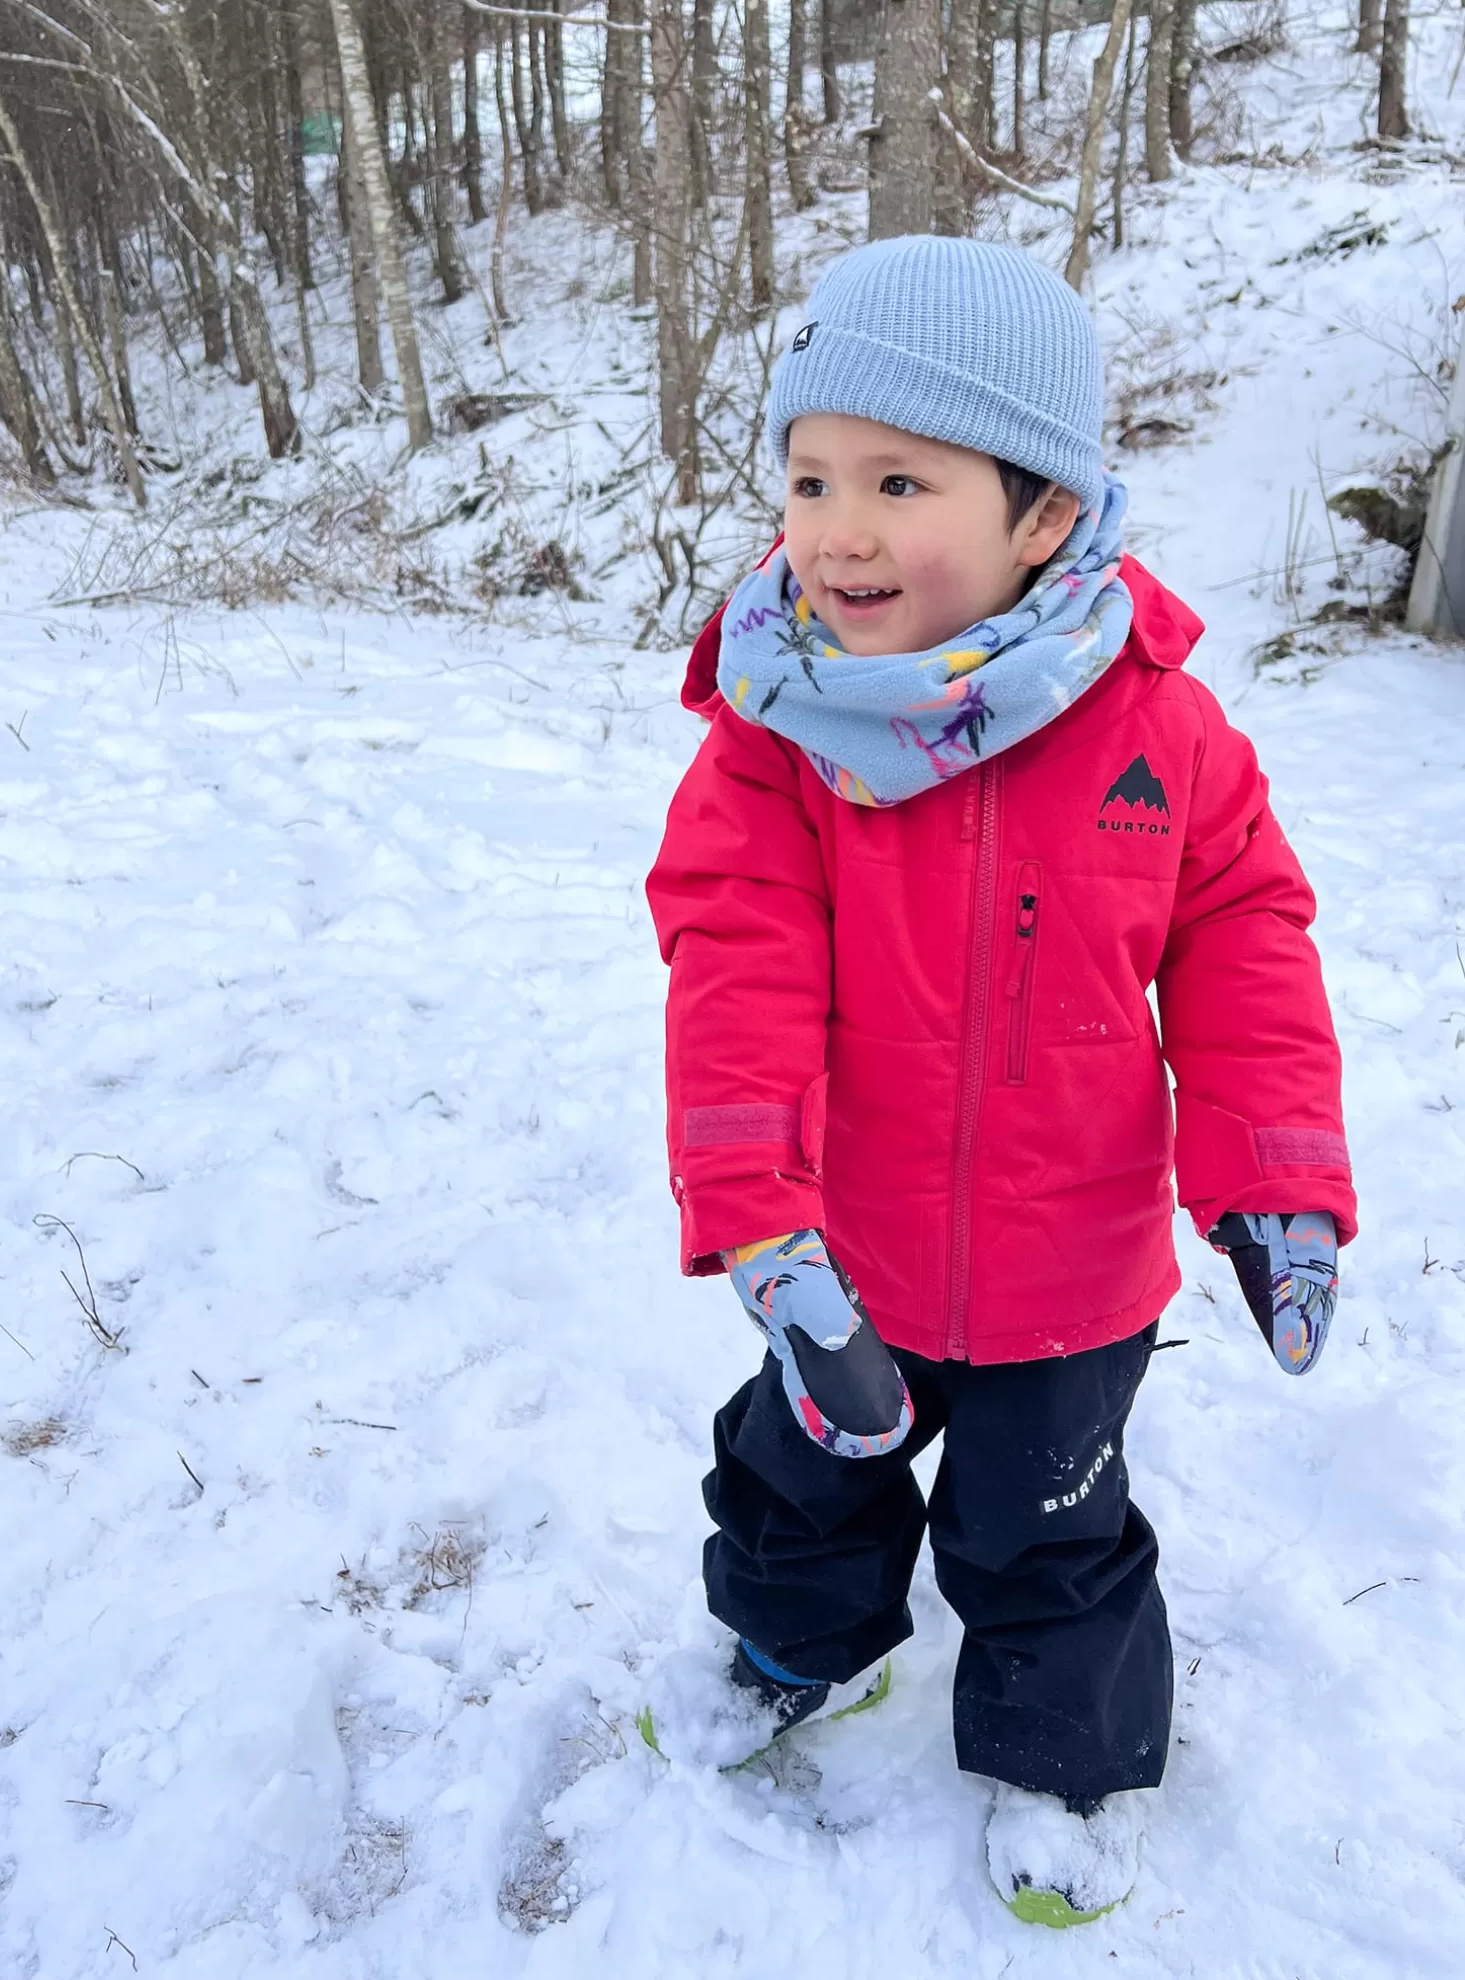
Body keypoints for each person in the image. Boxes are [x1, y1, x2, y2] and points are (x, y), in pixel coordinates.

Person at [643, 236, 1357, 1928]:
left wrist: (1274, 1174)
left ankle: (1065, 1756)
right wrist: (759, 1218)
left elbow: (1250, 931)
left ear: (1044, 515)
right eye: (812, 475)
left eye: (902, 477)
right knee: (799, 1476)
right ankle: (794, 1645)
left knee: (1049, 1528)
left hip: (1073, 1269)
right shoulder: (781, 734)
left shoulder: (1159, 733)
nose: (840, 527)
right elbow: (728, 957)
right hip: (845, 1258)